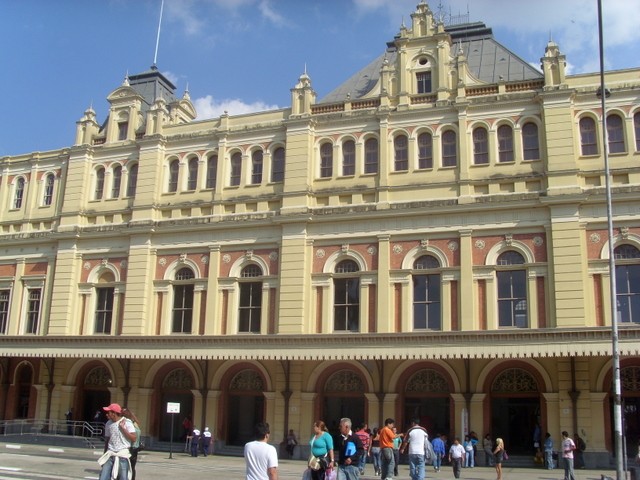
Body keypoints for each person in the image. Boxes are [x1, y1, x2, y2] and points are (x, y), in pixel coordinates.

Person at [97, 403, 137, 480]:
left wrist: (123, 429)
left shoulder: (127, 422)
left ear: (114, 413)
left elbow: (134, 438)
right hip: (110, 454)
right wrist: (104, 454)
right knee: (103, 477)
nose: (106, 415)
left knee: (123, 478)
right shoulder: (108, 423)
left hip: (122, 455)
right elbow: (107, 440)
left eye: (108, 412)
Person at [122, 407, 142, 480]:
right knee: (128, 467)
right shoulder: (124, 423)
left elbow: (138, 422)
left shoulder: (132, 423)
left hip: (134, 448)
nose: (125, 414)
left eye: (126, 412)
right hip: (129, 447)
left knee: (132, 467)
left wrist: (132, 414)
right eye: (123, 412)